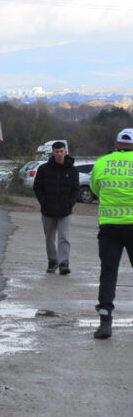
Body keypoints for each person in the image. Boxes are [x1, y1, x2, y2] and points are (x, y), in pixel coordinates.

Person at [89, 128, 133, 339]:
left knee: (108, 273)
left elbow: (95, 189)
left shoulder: (101, 163)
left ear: (116, 145)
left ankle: (105, 322)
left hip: (109, 226)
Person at [32, 141, 79, 275]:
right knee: (49, 238)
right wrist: (44, 202)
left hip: (65, 210)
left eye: (61, 151)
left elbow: (75, 189)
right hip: (48, 210)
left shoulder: (72, 170)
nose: (59, 154)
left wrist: (70, 203)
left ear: (66, 152)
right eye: (56, 152)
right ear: (53, 153)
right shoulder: (44, 169)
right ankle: (52, 261)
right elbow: (37, 187)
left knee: (64, 237)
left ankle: (64, 263)